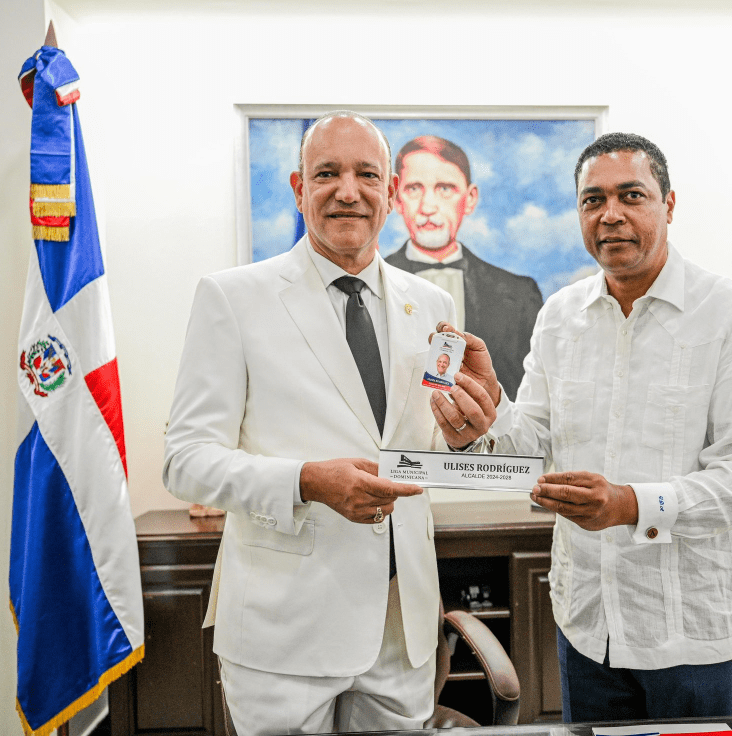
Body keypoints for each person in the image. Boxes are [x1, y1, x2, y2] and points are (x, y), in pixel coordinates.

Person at [430, 133, 732, 721]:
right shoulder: (559, 316)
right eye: (592, 200)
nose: (611, 214)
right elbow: (529, 446)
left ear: (669, 205)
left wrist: (629, 504)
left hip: (692, 634)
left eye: (631, 195)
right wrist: (485, 414)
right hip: (586, 628)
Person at [164, 112, 464, 734]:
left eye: (367, 175)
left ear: (390, 192)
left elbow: (433, 444)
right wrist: (305, 481)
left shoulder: (433, 304)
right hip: (284, 632)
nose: (348, 191)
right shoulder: (232, 297)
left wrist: (464, 437)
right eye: (327, 173)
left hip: (401, 627)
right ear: (299, 188)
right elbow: (185, 460)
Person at [384, 135, 543, 401]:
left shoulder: (520, 295)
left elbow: (532, 401)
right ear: (397, 198)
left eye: (445, 188)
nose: (427, 207)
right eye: (414, 189)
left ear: (470, 199)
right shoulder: (367, 286)